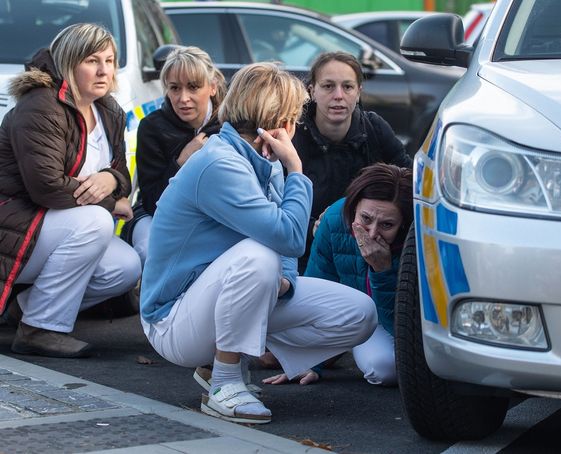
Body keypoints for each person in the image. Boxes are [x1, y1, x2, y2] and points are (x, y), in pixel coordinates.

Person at [140, 62, 377, 424]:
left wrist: (283, 280)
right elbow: (289, 237)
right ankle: (224, 382)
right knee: (258, 254)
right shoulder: (220, 163)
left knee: (359, 314)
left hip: (215, 304)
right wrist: (297, 170)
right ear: (281, 121)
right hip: (173, 322)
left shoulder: (262, 160)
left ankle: (224, 362)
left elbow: (284, 251)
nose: (298, 124)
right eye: (296, 115)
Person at [0, 23, 141, 358]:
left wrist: (111, 180)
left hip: (54, 228)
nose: (105, 70)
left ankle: (26, 308)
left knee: (125, 267)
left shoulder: (107, 110)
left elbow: (121, 170)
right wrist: (110, 202)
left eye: (110, 60)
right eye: (92, 60)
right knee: (96, 221)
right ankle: (40, 329)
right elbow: (46, 186)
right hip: (17, 223)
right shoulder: (41, 107)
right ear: (68, 62)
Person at [293, 51, 412, 272]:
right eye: (328, 86)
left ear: (358, 92)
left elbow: (410, 181)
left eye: (347, 87)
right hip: (304, 252)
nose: (338, 95)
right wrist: (311, 228)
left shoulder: (375, 128)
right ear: (312, 91)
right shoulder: (293, 134)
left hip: (368, 251)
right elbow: (274, 203)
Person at [295, 163, 413, 386]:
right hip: (347, 314)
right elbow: (318, 285)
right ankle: (337, 347)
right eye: (366, 219)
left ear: (404, 224)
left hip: (388, 322)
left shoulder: (415, 239)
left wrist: (382, 271)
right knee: (269, 354)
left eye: (387, 224)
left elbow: (404, 328)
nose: (372, 233)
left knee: (384, 368)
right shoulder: (334, 219)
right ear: (353, 208)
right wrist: (311, 362)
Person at [121, 46, 226, 266]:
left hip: (215, 217)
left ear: (213, 87)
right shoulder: (152, 127)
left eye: (193, 87)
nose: (183, 98)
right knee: (151, 248)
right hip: (158, 215)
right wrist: (181, 161)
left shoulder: (229, 125)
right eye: (175, 88)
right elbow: (151, 201)